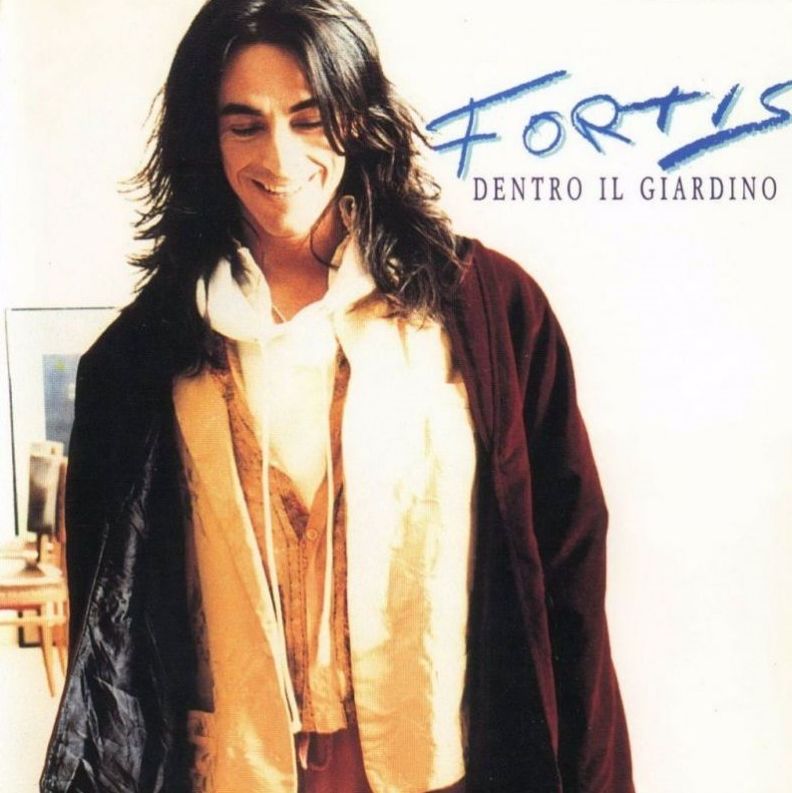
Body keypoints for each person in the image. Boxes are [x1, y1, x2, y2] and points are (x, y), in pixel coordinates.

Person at [41, 1, 633, 791]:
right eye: (244, 124)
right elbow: (110, 638)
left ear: (359, 120)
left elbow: (567, 576)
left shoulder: (486, 309)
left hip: (443, 766)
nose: (278, 155)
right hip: (232, 769)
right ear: (205, 138)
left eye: (309, 118)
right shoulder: (141, 358)